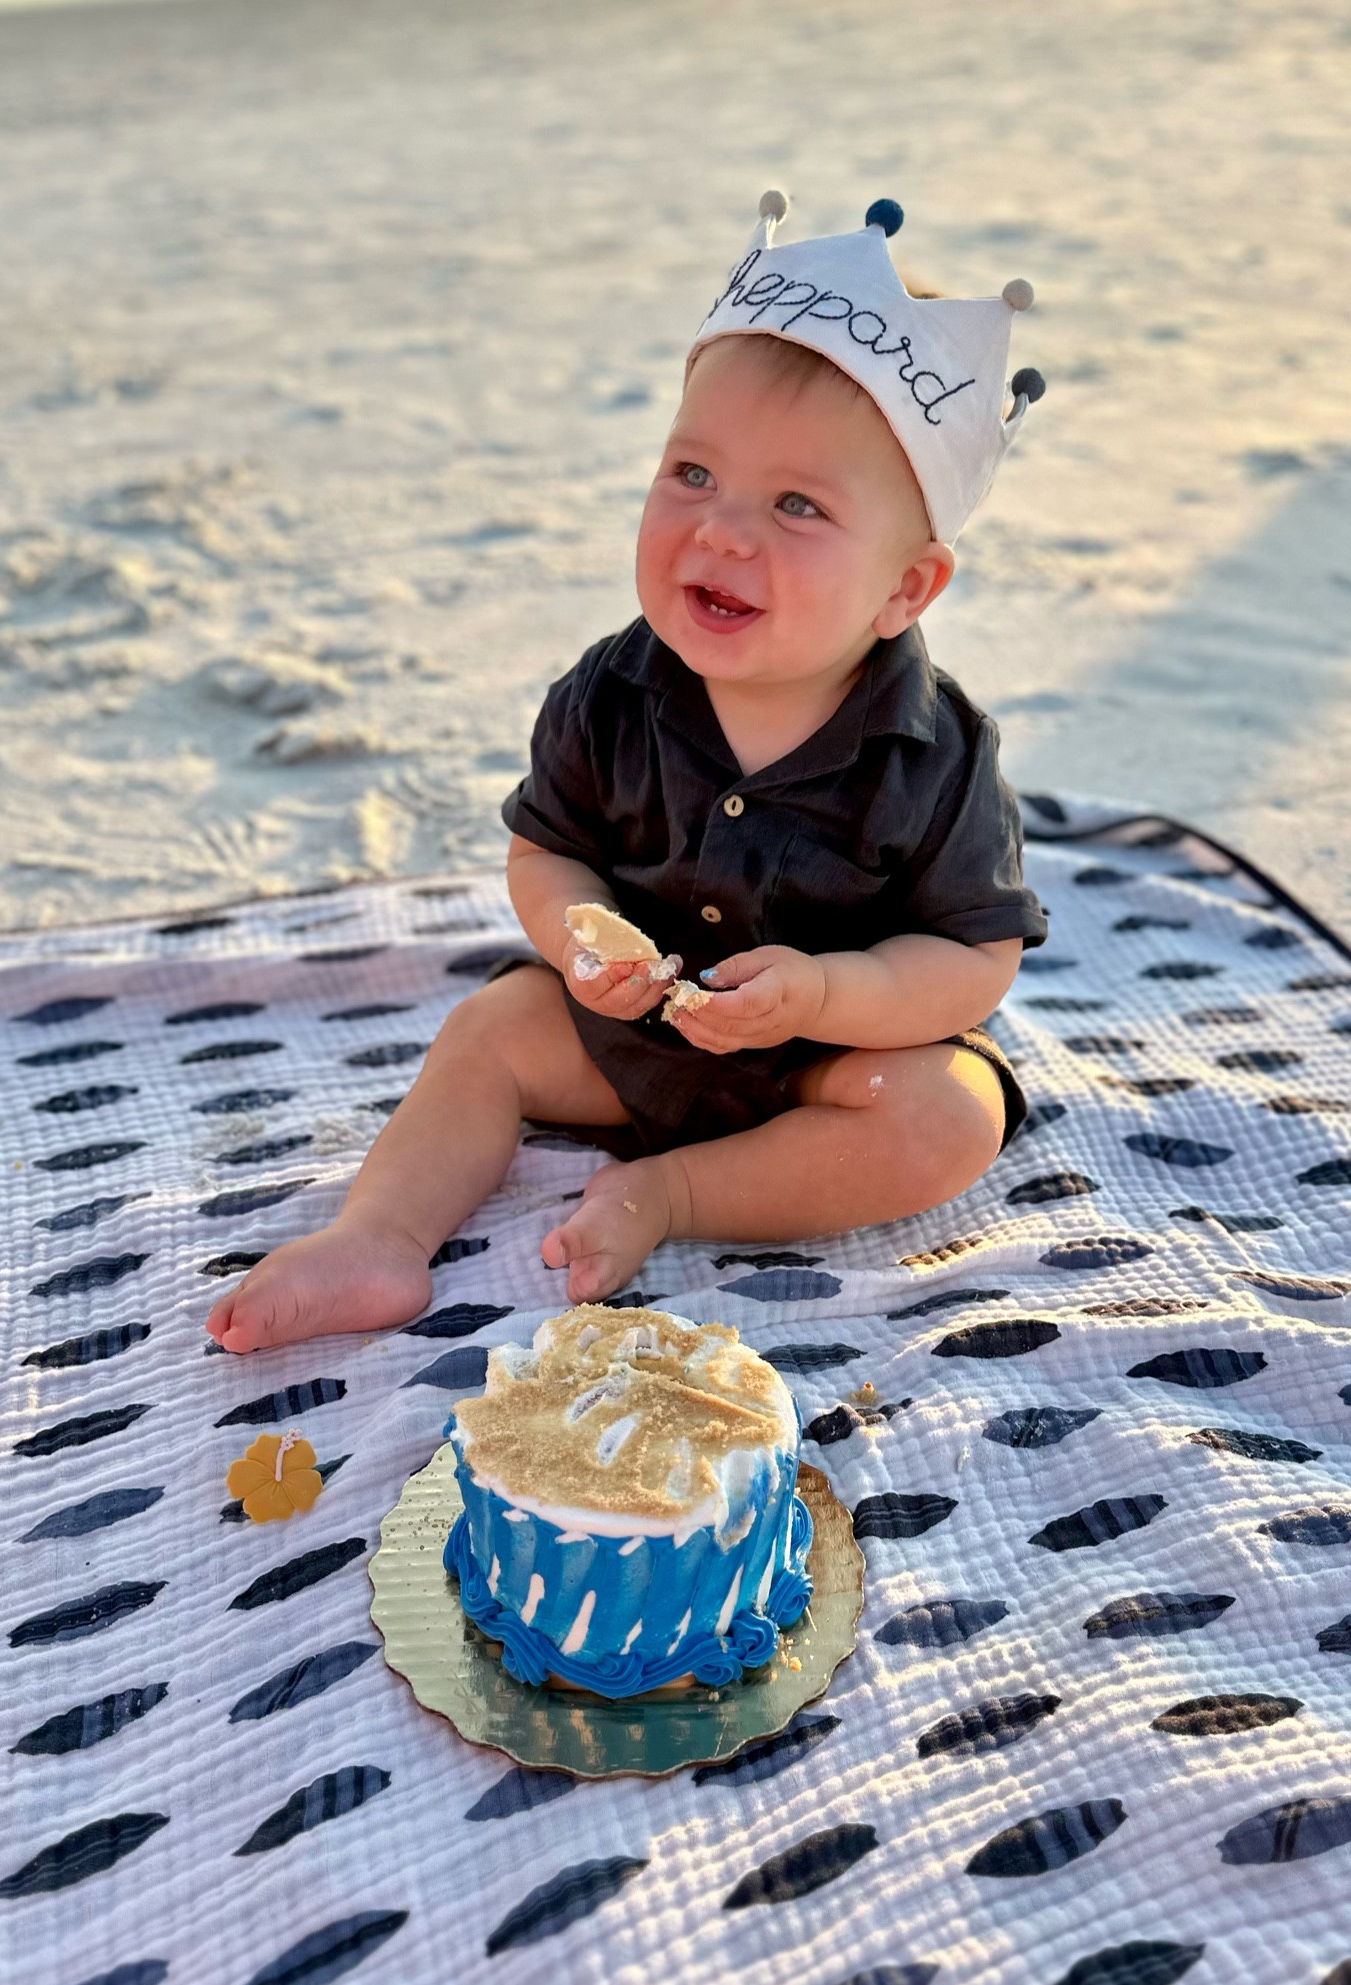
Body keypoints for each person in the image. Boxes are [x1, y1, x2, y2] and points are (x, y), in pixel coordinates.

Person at [208, 193, 1049, 1353]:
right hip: (635, 1033)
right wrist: (581, 934)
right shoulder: (613, 689)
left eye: (797, 504)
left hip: (827, 1064)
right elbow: (547, 849)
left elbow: (970, 959)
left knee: (947, 1119)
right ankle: (380, 1238)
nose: (723, 532)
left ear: (905, 589)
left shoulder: (938, 747)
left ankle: (682, 1194)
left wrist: (822, 996)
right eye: (693, 474)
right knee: (490, 1027)